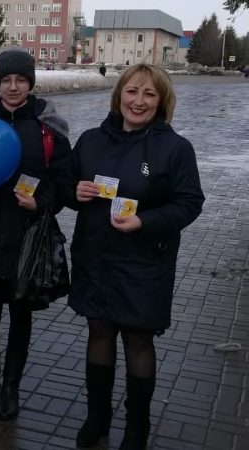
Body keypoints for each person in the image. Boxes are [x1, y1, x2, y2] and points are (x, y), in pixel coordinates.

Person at [59, 64, 204, 450]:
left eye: (149, 94)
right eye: (132, 91)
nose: (138, 101)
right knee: (98, 332)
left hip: (145, 262)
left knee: (138, 341)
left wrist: (145, 221)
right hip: (95, 256)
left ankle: (137, 425)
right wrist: (75, 192)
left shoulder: (175, 148)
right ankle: (97, 416)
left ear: (161, 101)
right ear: (119, 94)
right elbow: (64, 184)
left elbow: (190, 202)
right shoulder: (92, 140)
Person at [0, 48, 72, 420]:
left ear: (30, 83)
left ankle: (11, 386)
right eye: (5, 80)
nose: (12, 87)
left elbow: (63, 181)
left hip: (28, 239)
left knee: (21, 318)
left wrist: (41, 203)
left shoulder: (47, 127)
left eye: (20, 80)